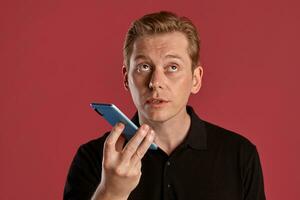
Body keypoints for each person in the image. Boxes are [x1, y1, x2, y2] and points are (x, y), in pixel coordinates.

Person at [63, 11, 266, 200]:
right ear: (126, 78)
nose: (155, 82)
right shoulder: (92, 158)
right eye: (144, 67)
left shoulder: (239, 155)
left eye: (172, 67)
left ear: (195, 79)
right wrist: (111, 192)